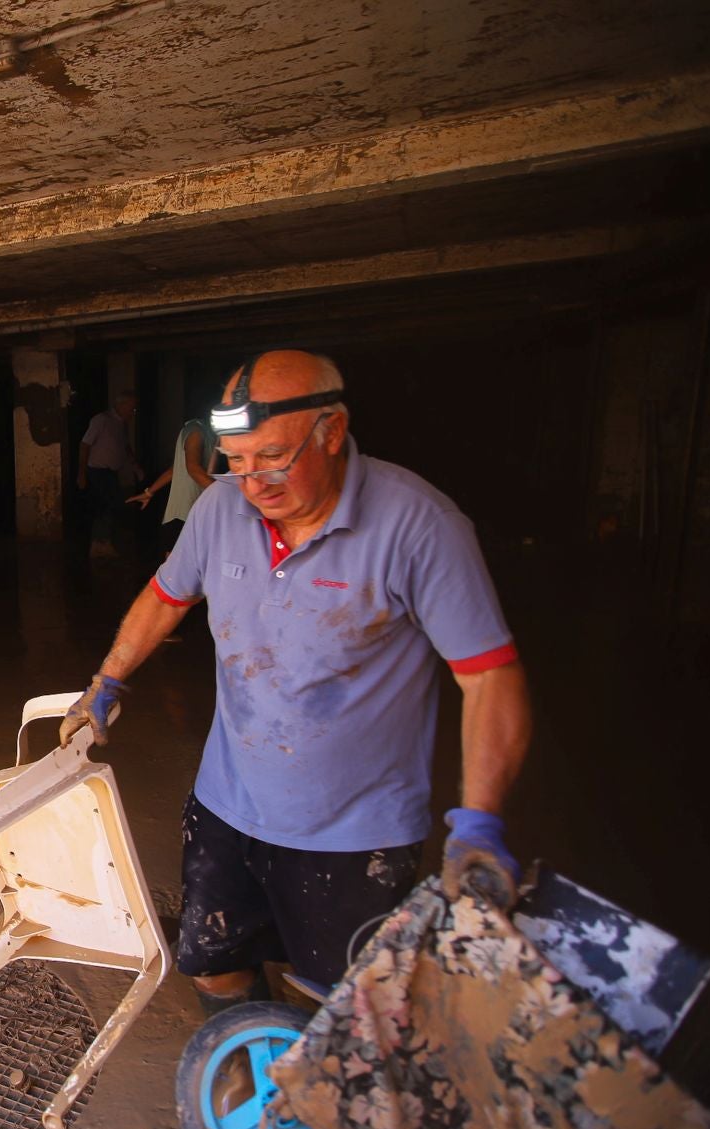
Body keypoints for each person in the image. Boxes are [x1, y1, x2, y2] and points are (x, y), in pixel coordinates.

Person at [60, 351, 531, 1013]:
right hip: (228, 805)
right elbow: (168, 597)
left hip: (356, 834)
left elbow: (488, 679)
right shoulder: (221, 509)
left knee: (343, 1006)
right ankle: (251, 1084)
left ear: (332, 432)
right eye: (236, 459)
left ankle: (315, 1098)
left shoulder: (420, 527)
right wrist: (107, 680)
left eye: (272, 457)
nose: (252, 481)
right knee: (215, 966)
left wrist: (478, 822)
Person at [128, 416, 214, 561]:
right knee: (175, 573)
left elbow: (175, 470)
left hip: (187, 514)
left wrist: (149, 492)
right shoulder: (196, 431)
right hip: (183, 515)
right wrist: (226, 495)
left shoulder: (197, 431)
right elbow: (193, 468)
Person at [77, 391, 143, 557]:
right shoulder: (101, 420)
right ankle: (100, 543)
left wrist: (135, 466)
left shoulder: (121, 424)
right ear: (122, 405)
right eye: (132, 408)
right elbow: (85, 445)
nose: (133, 412)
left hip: (111, 472)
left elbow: (125, 446)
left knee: (109, 506)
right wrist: (82, 474)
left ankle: (102, 542)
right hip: (98, 471)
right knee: (105, 506)